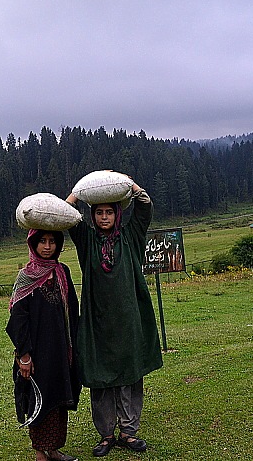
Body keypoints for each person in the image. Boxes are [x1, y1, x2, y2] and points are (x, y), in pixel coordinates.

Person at [66, 179, 163, 457]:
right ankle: (106, 434)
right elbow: (67, 215)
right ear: (93, 215)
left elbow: (145, 208)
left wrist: (130, 185)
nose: (104, 217)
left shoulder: (131, 236)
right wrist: (77, 193)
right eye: (99, 213)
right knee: (100, 378)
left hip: (130, 319)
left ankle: (129, 433)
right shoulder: (86, 241)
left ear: (117, 213)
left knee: (130, 376)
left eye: (109, 212)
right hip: (96, 323)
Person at [6, 229, 82, 461]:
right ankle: (41, 451)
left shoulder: (62, 272)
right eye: (42, 241)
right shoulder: (26, 276)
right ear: (33, 244)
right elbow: (18, 318)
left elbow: (72, 309)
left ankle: (54, 449)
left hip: (60, 350)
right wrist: (24, 355)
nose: (47, 246)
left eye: (52, 241)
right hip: (37, 352)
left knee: (59, 397)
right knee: (39, 399)